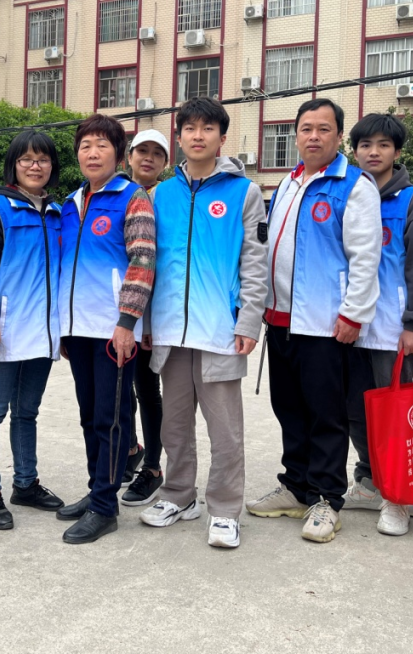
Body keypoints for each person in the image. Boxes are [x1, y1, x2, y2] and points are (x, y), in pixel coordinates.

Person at [246, 98, 382, 543]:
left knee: (326, 414)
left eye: (324, 129)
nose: (314, 137)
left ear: (339, 136)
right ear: (296, 135)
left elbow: (366, 257)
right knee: (288, 409)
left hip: (325, 323)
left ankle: (326, 497)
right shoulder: (288, 183)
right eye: (306, 129)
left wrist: (353, 313)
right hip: (281, 320)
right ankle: (296, 486)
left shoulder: (354, 185)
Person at [139, 99, 268, 549]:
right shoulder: (160, 194)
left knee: (225, 430)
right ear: (179, 137)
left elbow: (255, 263)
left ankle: (225, 509)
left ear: (221, 138)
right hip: (170, 330)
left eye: (207, 128)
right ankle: (178, 495)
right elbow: (149, 262)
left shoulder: (244, 193)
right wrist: (147, 321)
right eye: (190, 128)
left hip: (219, 330)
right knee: (174, 426)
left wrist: (248, 321)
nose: (198, 135)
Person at [55, 114, 156, 544]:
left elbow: (143, 260)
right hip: (77, 328)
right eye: (85, 146)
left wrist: (127, 322)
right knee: (88, 415)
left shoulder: (132, 197)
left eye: (102, 145)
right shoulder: (70, 203)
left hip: (113, 330)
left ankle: (104, 507)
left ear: (119, 153)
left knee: (111, 418)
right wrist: (63, 327)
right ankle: (98, 488)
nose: (92, 153)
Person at [343, 114, 413, 537]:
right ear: (354, 151)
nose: (373, 152)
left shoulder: (412, 202)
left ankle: (398, 497)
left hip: (391, 329)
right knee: (354, 411)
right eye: (365, 145)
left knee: (395, 414)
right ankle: (369, 481)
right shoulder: (347, 193)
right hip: (348, 326)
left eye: (383, 145)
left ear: (397, 152)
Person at [0, 131, 66, 530]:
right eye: (26, 159)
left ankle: (25, 483)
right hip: (4, 331)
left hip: (43, 335)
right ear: (14, 165)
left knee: (27, 412)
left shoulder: (58, 212)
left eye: (42, 159)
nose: (34, 166)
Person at [120, 129, 169, 507]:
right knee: (121, 391)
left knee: (147, 390)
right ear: (129, 156)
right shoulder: (118, 194)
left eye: (157, 153)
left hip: (152, 312)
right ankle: (131, 449)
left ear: (166, 162)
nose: (148, 158)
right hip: (119, 312)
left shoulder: (167, 198)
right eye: (142, 151)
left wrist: (149, 322)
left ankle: (152, 466)